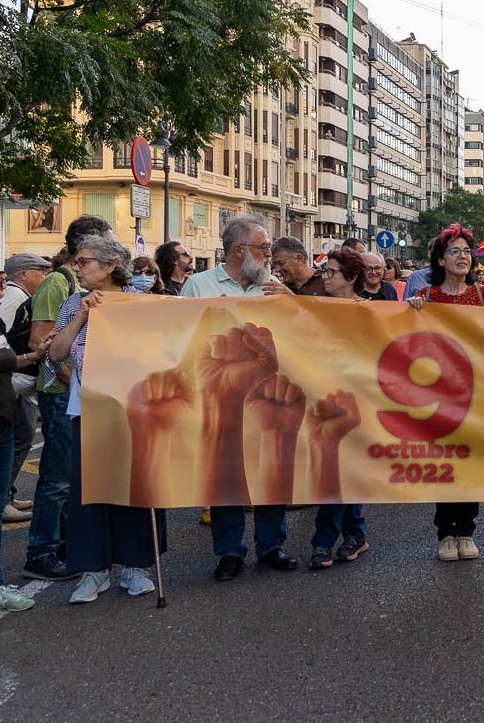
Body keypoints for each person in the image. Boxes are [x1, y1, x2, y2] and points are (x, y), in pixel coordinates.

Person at [49, 235, 167, 603]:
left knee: (134, 486)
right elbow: (54, 353)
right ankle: (93, 570)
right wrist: (83, 313)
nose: (77, 267)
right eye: (76, 261)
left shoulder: (141, 301)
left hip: (135, 410)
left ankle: (135, 566)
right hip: (88, 409)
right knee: (89, 490)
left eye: (84, 261)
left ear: (111, 264)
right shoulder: (73, 302)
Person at [181, 216, 295, 581]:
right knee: (226, 475)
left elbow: (306, 337)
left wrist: (295, 303)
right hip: (220, 399)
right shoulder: (199, 285)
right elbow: (179, 336)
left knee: (270, 471)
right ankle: (229, 552)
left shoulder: (274, 288)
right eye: (263, 248)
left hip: (269, 400)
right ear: (238, 250)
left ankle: (271, 546)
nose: (270, 255)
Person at [22, 213, 110, 582]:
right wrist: (81, 382)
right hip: (60, 392)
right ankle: (40, 553)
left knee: (71, 477)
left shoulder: (76, 281)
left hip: (73, 391)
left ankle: (61, 544)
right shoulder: (60, 282)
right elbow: (40, 342)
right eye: (105, 240)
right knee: (57, 478)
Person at [408, 224, 484, 559]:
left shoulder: (483, 297)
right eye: (455, 251)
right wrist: (410, 313)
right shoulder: (426, 298)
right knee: (444, 464)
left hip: (473, 392)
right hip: (438, 395)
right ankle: (446, 532)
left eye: (467, 251)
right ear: (441, 260)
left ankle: (467, 530)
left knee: (470, 462)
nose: (463, 257)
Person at [304, 247, 372, 569]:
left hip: (356, 401)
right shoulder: (319, 309)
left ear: (352, 278)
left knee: (339, 471)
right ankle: (355, 533)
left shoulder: (371, 313)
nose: (325, 277)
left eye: (331, 272)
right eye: (325, 272)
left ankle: (323, 541)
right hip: (324, 399)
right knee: (336, 471)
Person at [0, 268, 48, 609]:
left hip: (2, 419)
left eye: (1, 284)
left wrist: (33, 356)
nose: (2, 292)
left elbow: (5, 358)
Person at [0, 253, 50, 524]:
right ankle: (3, 497)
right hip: (13, 382)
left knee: (22, 437)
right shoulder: (14, 297)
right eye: (39, 272)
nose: (43, 277)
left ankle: (7, 492)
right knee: (18, 438)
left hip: (16, 378)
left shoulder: (18, 295)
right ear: (24, 275)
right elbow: (3, 341)